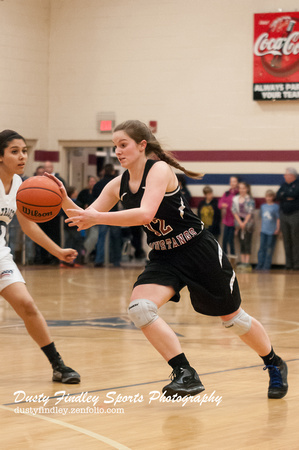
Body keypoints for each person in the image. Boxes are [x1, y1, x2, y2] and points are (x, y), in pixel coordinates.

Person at [50, 120, 287, 400]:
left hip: (199, 251)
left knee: (233, 320)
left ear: (142, 146)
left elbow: (145, 214)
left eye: (123, 145)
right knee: (140, 309)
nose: (117, 152)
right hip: (164, 255)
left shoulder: (159, 169)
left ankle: (274, 362)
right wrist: (62, 198)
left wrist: (97, 217)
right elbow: (84, 218)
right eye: (114, 146)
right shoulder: (118, 184)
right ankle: (184, 372)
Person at [0, 129, 80, 383]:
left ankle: (58, 366)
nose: (22, 157)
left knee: (28, 306)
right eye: (15, 152)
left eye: (24, 151)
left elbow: (28, 226)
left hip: (1, 256)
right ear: (0, 156)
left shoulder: (20, 186)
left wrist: (58, 251)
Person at [92, 164, 122, 267]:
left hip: (101, 214)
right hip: (115, 214)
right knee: (116, 238)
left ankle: (99, 260)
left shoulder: (99, 184)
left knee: (101, 238)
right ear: (113, 171)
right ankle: (116, 260)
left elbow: (94, 198)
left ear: (104, 171)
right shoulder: (118, 183)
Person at [276, 167, 299, 270]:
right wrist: (287, 196)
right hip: (284, 214)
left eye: (286, 175)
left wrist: (285, 195)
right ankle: (288, 264)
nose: (284, 176)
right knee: (286, 240)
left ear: (292, 176)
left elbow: (295, 194)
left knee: (295, 240)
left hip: (295, 214)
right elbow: (278, 195)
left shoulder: (298, 184)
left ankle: (296, 264)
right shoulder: (284, 185)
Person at [232, 181, 255, 271]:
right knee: (241, 242)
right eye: (240, 188)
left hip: (248, 224)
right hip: (238, 224)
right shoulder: (236, 199)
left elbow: (250, 212)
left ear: (247, 189)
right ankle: (242, 261)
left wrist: (244, 223)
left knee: (247, 242)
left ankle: (247, 262)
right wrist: (240, 223)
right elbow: (234, 211)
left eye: (243, 188)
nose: (241, 190)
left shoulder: (250, 200)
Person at [256, 190, 280, 271]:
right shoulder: (263, 206)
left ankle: (266, 266)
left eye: (270, 196)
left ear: (273, 197)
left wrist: (277, 229)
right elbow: (261, 219)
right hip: (263, 230)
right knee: (261, 248)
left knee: (269, 248)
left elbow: (278, 219)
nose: (268, 198)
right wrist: (260, 228)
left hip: (272, 231)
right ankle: (260, 264)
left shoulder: (276, 207)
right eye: (267, 196)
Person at [218, 176, 239, 257]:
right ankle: (224, 257)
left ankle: (233, 258)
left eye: (234, 181)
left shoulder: (238, 194)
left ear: (237, 183)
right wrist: (223, 205)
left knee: (231, 241)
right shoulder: (226, 193)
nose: (233, 183)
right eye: (231, 181)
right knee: (224, 240)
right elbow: (220, 204)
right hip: (226, 221)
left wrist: (228, 206)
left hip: (235, 221)